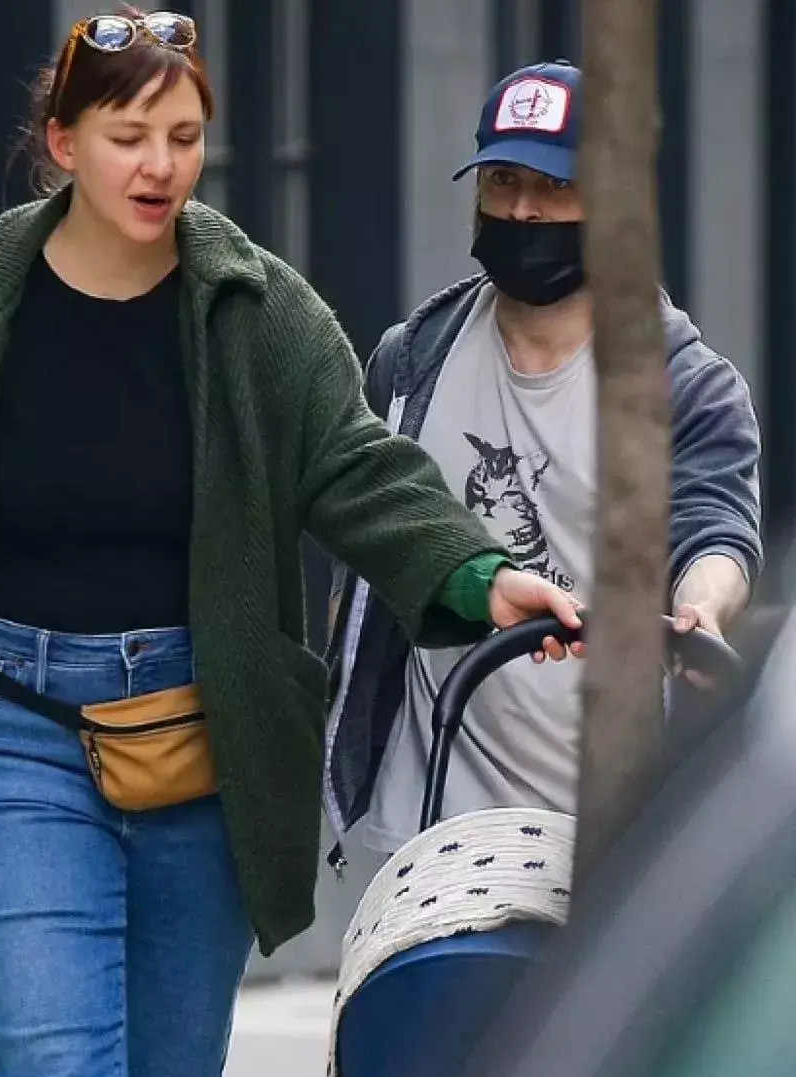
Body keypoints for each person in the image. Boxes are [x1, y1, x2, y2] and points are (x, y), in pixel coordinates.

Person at [0, 15, 585, 1077]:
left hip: (200, 733)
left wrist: (477, 572)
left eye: (183, 136)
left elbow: (354, 463)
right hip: (2, 736)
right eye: (128, 134)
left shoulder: (254, 309)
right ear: (64, 141)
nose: (159, 164)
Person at [324, 59, 762, 863]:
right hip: (425, 825)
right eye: (503, 180)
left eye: (556, 187)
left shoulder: (684, 383)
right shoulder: (411, 359)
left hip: (609, 832)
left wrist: (702, 610)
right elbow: (368, 521)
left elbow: (716, 529)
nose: (524, 209)